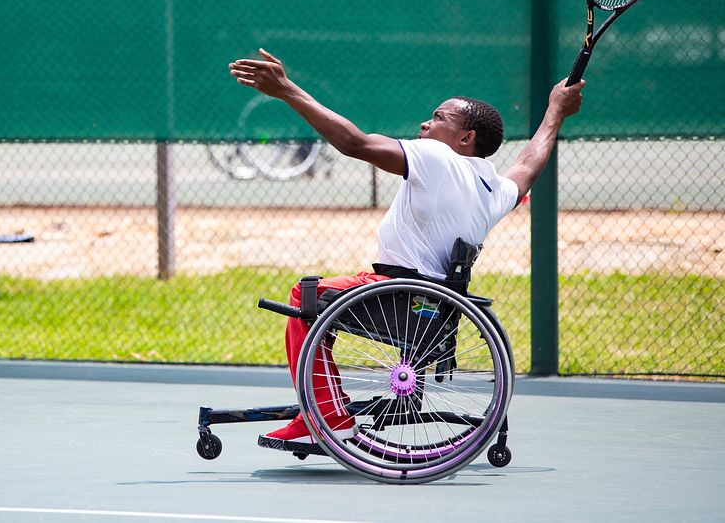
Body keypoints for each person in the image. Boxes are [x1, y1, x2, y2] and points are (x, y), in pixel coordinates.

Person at [228, 48, 585, 445]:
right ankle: (324, 409)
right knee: (320, 299)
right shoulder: (494, 188)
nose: (425, 124)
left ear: (466, 138)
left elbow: (355, 143)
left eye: (439, 118)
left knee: (304, 297)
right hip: (436, 312)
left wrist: (287, 90)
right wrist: (556, 112)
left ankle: (324, 420)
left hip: (399, 298)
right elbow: (528, 166)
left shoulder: (437, 157)